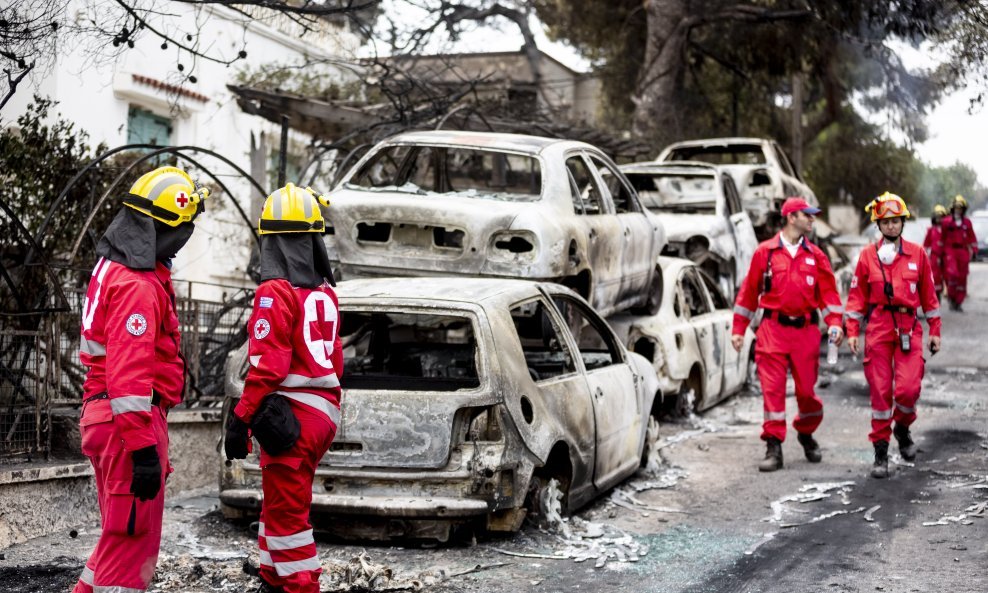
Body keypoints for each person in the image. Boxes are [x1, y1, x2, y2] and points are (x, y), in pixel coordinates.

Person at [74, 166, 208, 593]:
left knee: (117, 536)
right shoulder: (137, 285)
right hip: (128, 424)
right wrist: (144, 449)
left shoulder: (111, 269)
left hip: (107, 418)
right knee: (130, 547)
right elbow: (130, 375)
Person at [224, 184, 342, 593]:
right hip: (323, 411)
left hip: (293, 417)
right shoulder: (326, 292)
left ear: (270, 239)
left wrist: (240, 417)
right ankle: (274, 578)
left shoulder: (275, 291)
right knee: (280, 507)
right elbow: (336, 359)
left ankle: (300, 584)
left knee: (290, 518)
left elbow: (268, 367)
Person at [732, 197, 844, 472]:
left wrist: (835, 323)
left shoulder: (816, 256)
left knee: (806, 392)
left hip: (805, 332)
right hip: (772, 330)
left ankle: (805, 432)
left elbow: (828, 294)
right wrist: (738, 329)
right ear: (792, 217)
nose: (812, 219)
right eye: (808, 215)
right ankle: (773, 445)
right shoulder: (765, 252)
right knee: (773, 391)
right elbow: (748, 293)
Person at [845, 192, 941, 479]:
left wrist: (935, 331)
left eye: (895, 221)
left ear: (902, 222)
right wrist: (852, 331)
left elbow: (930, 298)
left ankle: (902, 427)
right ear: (878, 224)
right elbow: (856, 298)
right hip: (878, 327)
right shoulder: (867, 256)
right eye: (885, 222)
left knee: (909, 389)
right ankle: (881, 451)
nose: (890, 226)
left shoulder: (917, 254)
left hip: (909, 326)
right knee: (880, 392)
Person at [940, 194, 978, 311]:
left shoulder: (967, 223)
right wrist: (940, 254)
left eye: (960, 208)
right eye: (956, 208)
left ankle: (958, 302)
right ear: (953, 208)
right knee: (952, 274)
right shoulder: (946, 222)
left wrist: (975, 251)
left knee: (962, 277)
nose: (958, 210)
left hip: (963, 251)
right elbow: (941, 238)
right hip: (950, 251)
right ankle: (951, 298)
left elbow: (972, 238)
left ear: (963, 209)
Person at [923, 204, 947, 295]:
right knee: (936, 276)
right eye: (937, 217)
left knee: (948, 274)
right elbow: (926, 244)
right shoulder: (931, 230)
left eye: (941, 217)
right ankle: (937, 295)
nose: (939, 219)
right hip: (934, 256)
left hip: (946, 256)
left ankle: (948, 293)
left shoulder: (948, 230)